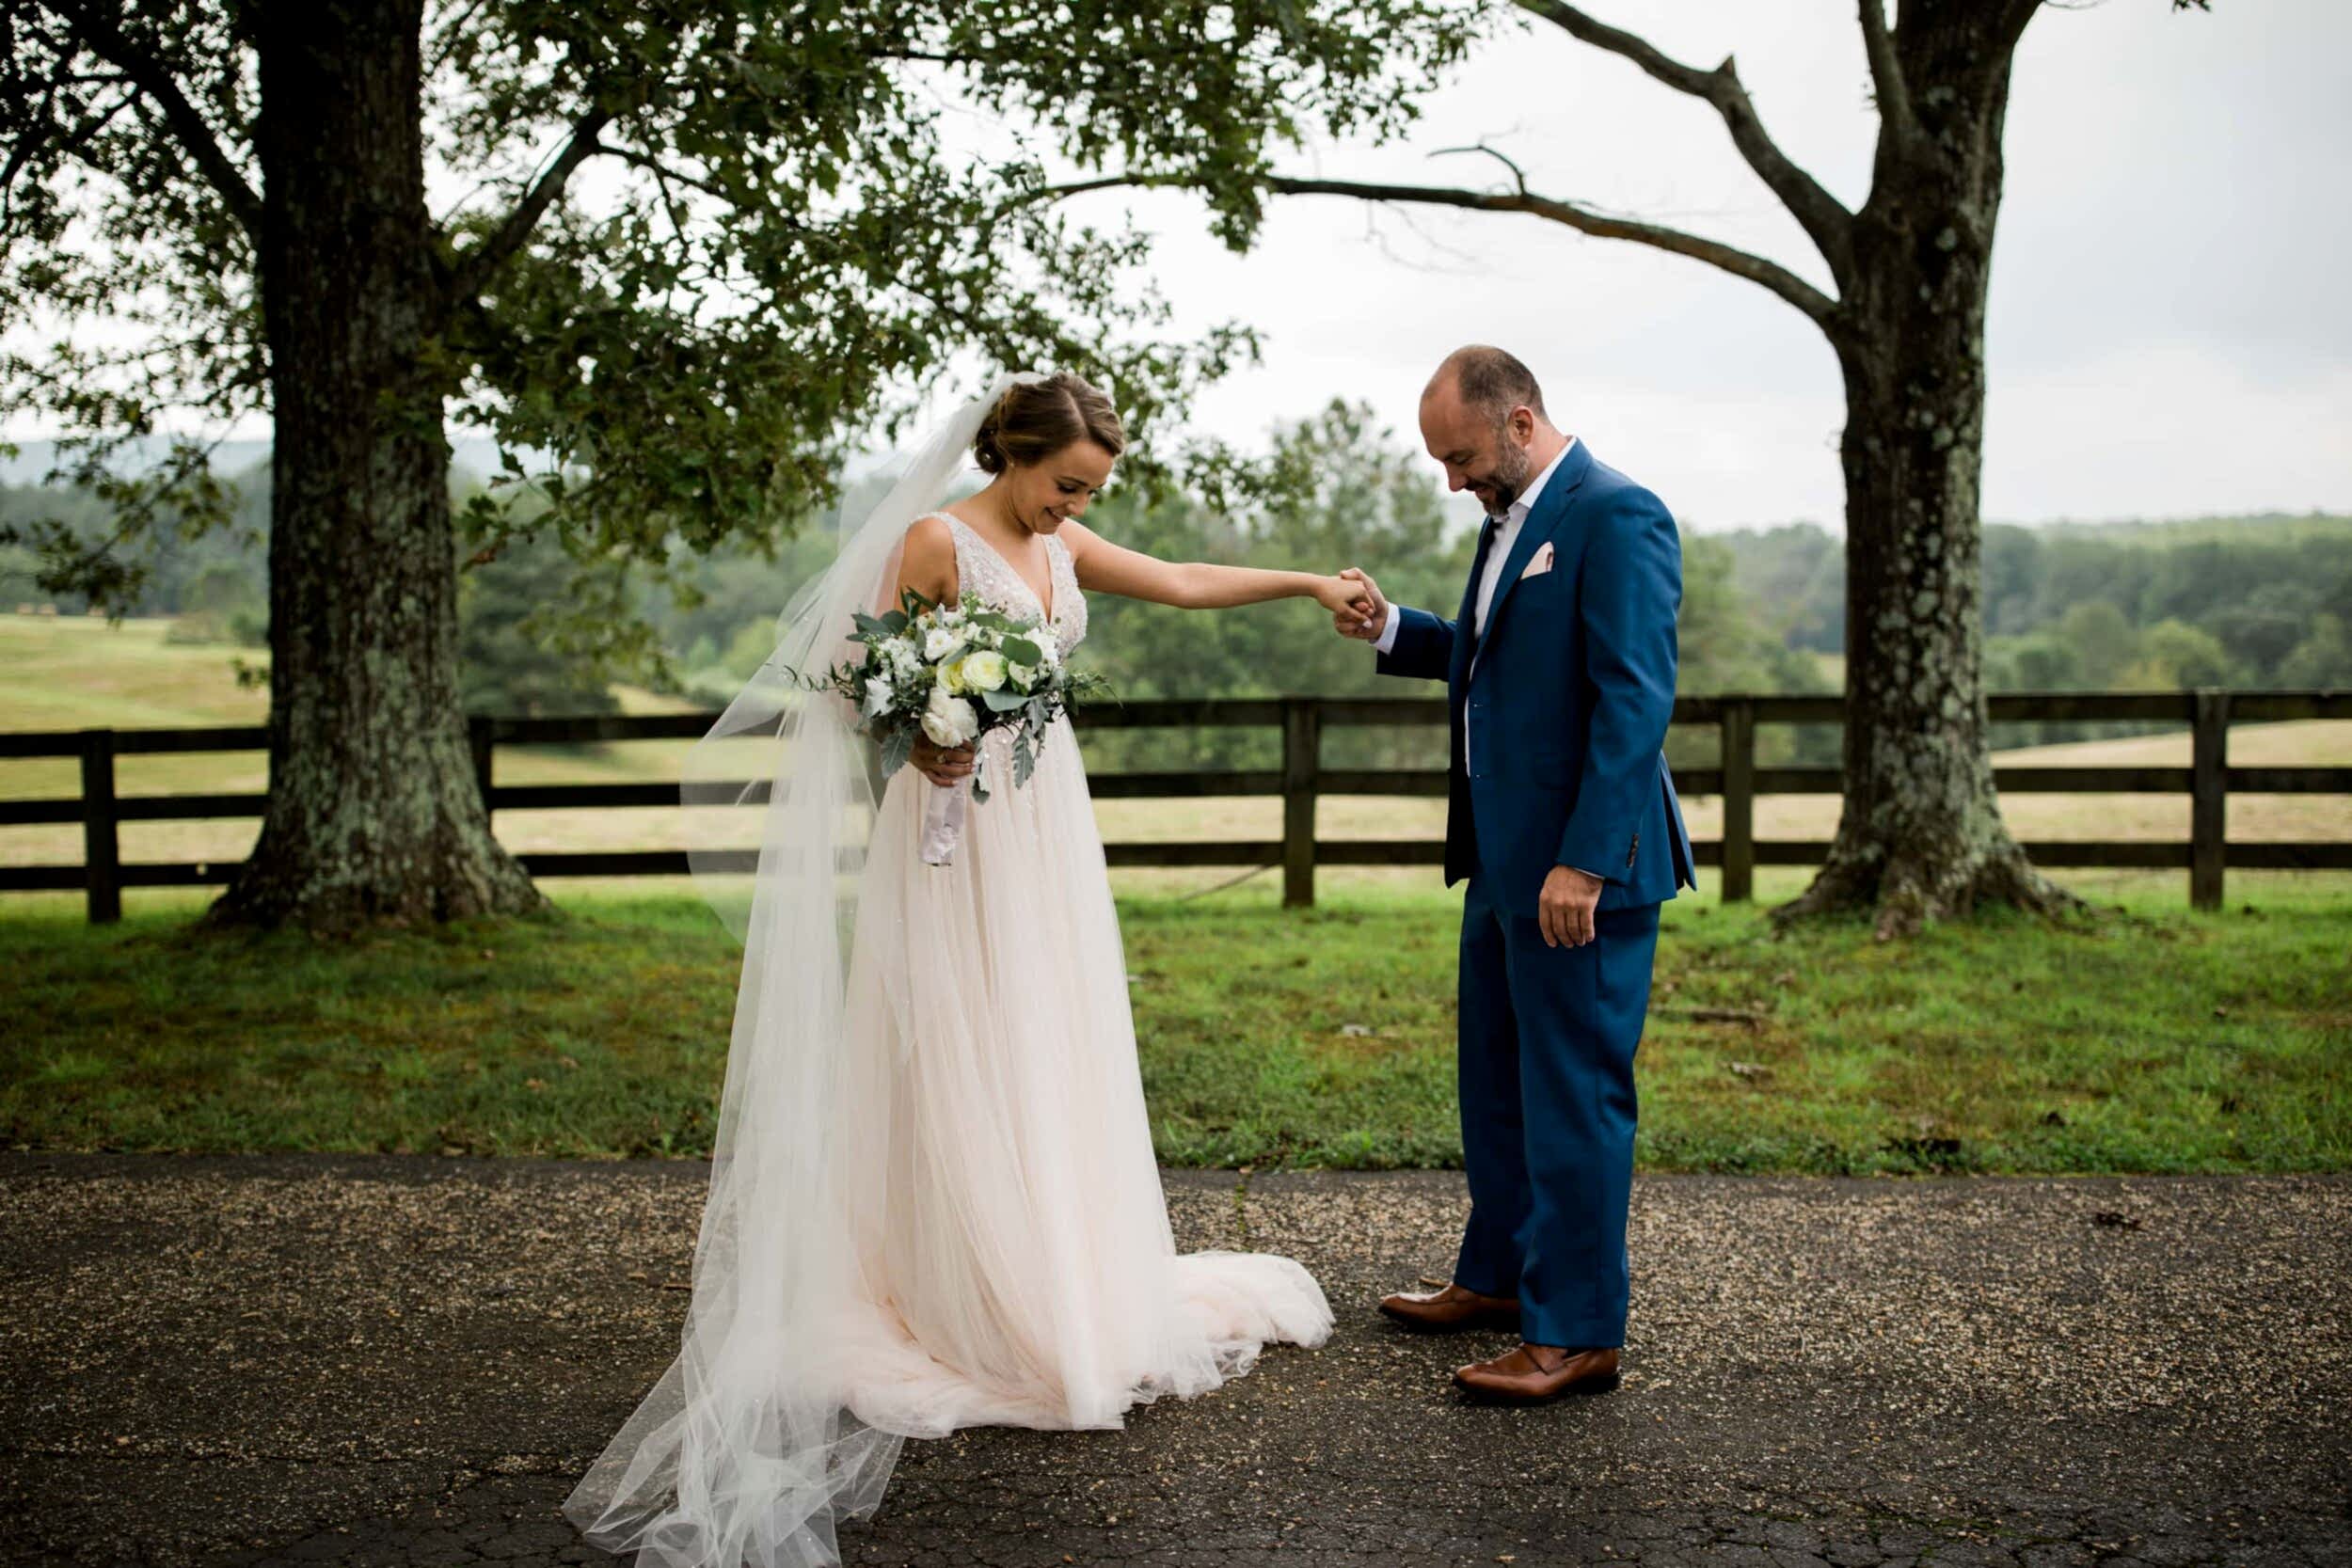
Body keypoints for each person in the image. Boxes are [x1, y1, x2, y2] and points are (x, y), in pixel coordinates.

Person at [563, 370, 1363, 1568]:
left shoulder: (1064, 543)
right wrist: (923, 743)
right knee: (952, 1037)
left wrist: (1307, 582)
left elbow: (1188, 582)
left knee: (1046, 1033)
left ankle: (1054, 1270)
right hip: (946, 830)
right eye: (1063, 486)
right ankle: (954, 1285)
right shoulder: (935, 540)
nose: (1070, 509)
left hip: (1045, 827)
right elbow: (852, 684)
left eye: (1089, 493)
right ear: (1014, 453)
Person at [1332, 345, 1696, 1404]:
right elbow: (1497, 659)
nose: (1451, 479)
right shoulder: (1509, 521)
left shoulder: (1617, 514)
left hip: (1582, 868)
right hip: (1499, 860)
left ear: (1521, 421)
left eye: (1459, 456)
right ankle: (1498, 1278)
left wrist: (1583, 858)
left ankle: (1577, 1331)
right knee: (1495, 1085)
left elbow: (1633, 699)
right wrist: (1397, 629)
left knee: (1573, 1097)